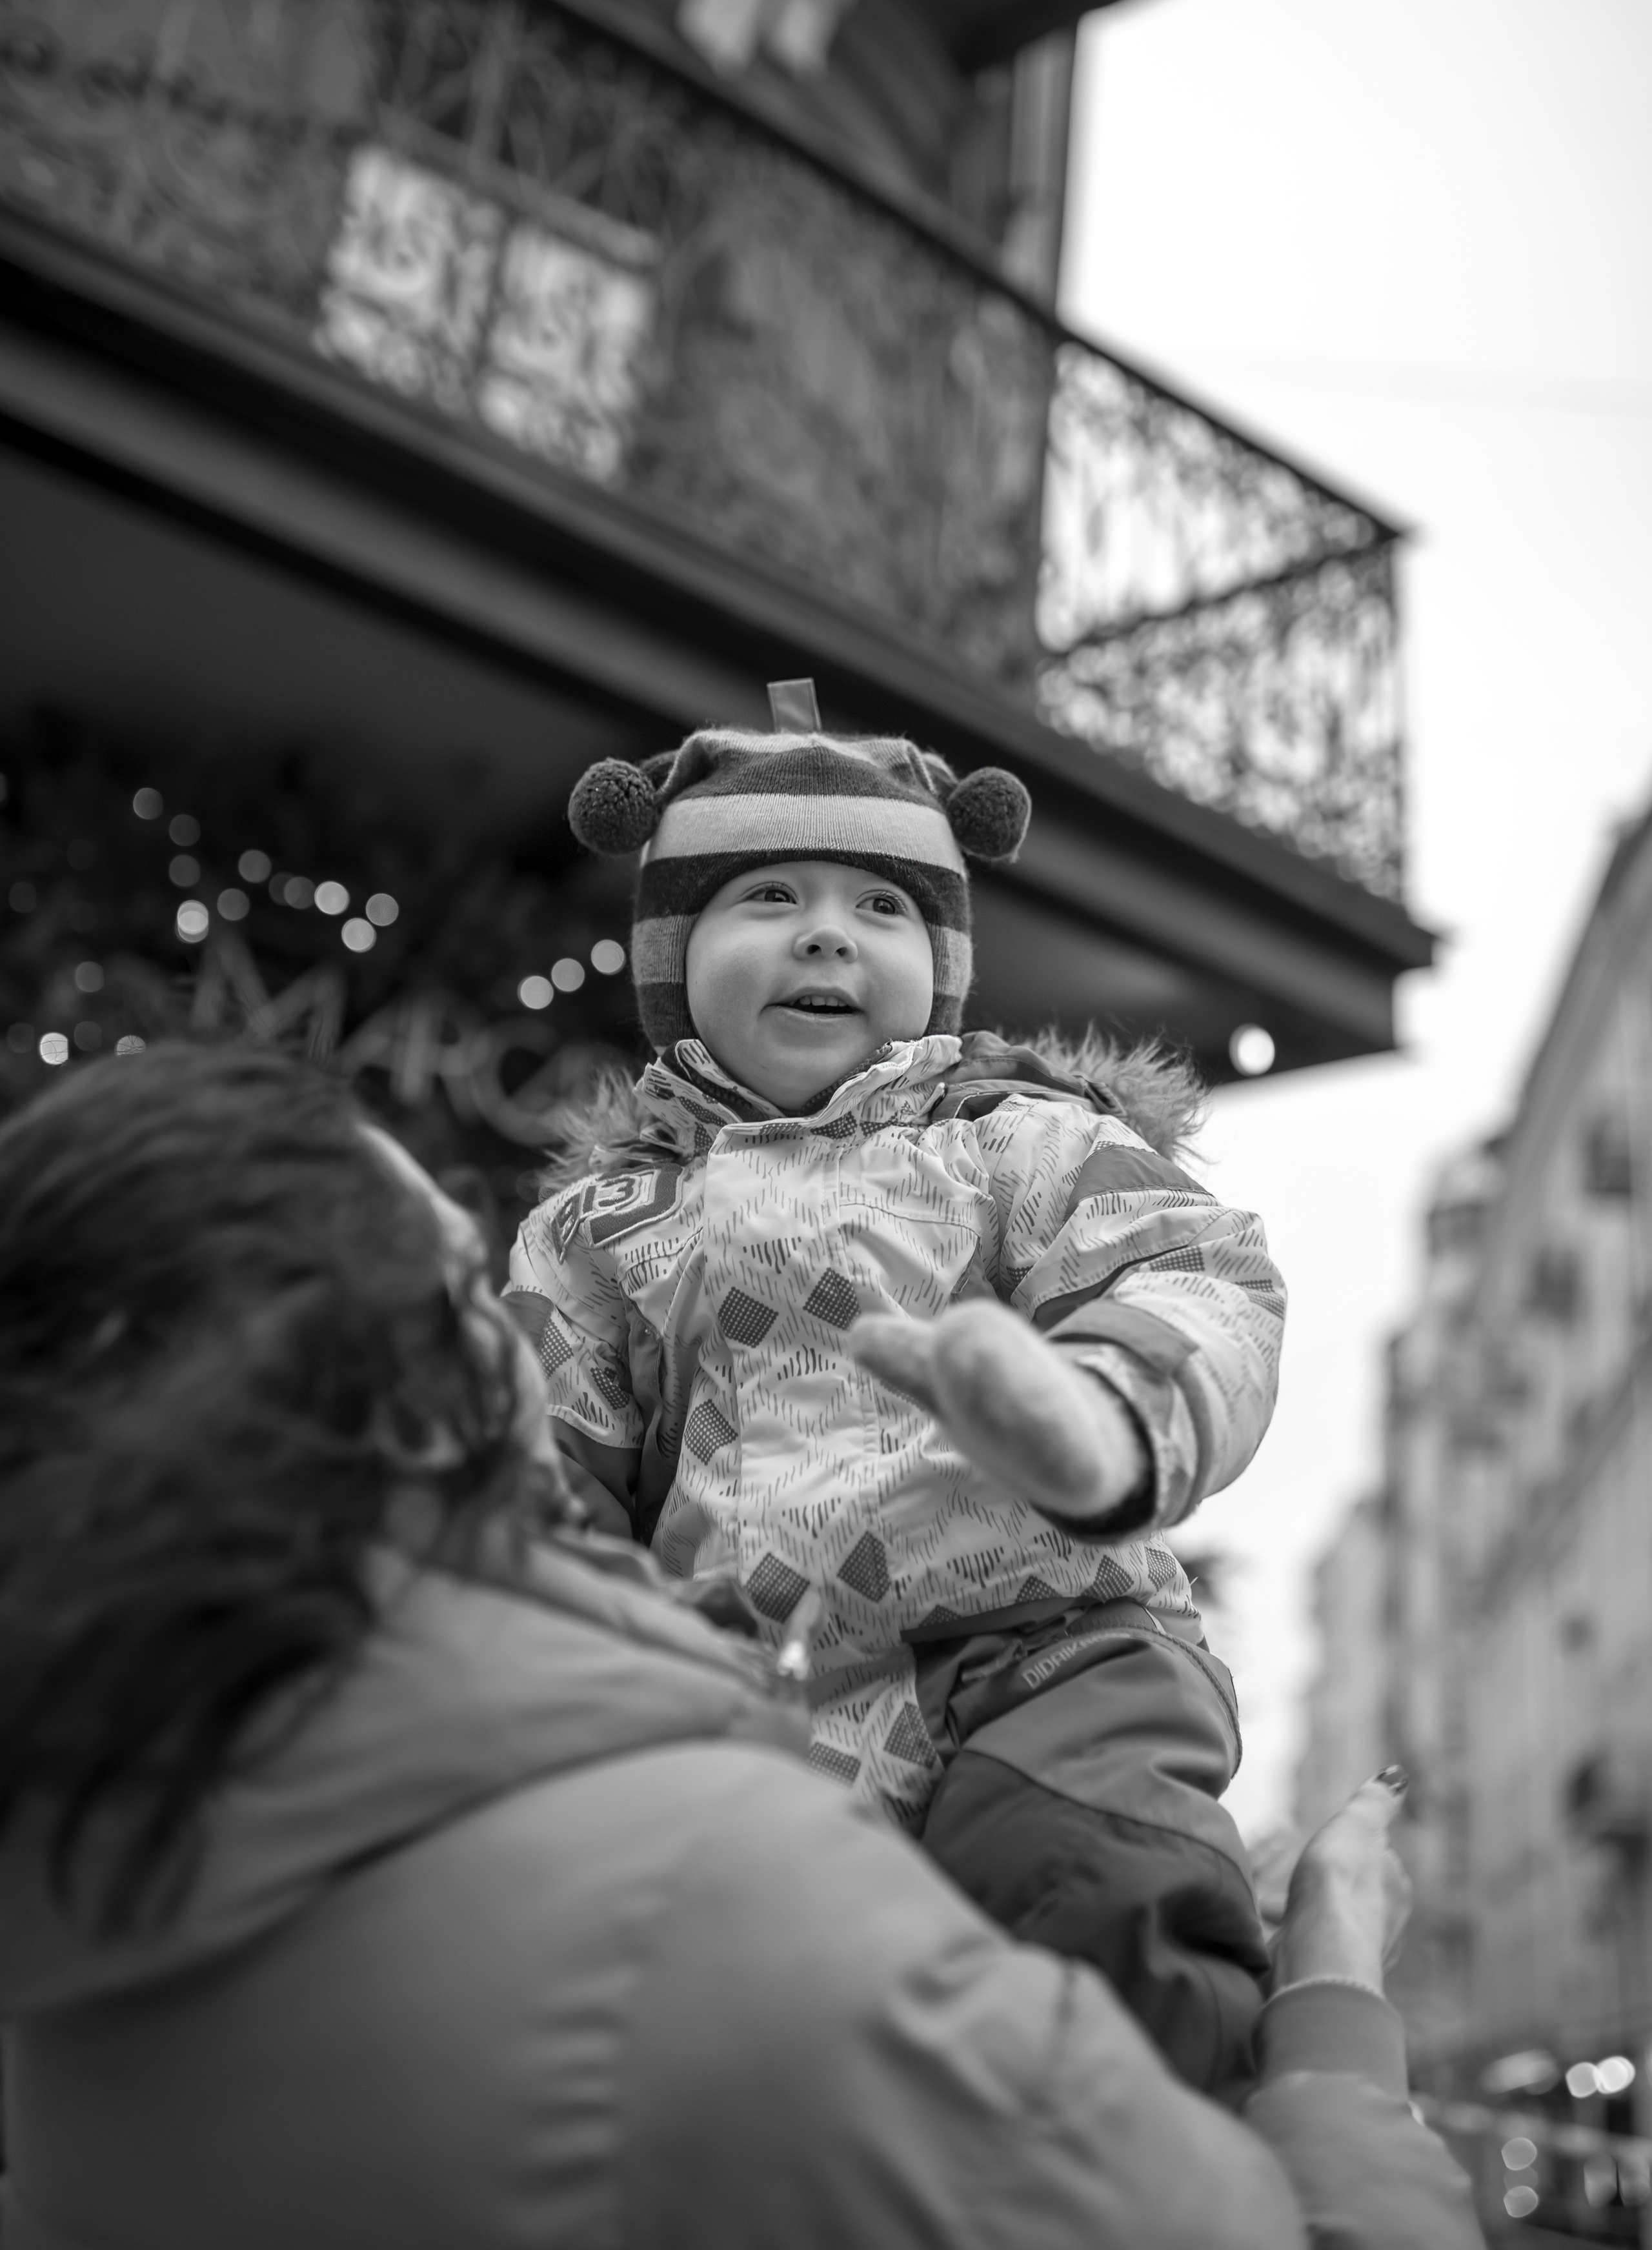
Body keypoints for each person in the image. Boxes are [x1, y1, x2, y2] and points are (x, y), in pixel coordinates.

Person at [0, 1045, 1481, 2250]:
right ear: (414, 1409)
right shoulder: (715, 1902)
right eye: (469, 1300)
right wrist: (1333, 1992)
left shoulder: (69, 1965)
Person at [507, 685, 1284, 2093]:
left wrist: (1096, 1412)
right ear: (673, 958)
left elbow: (1194, 1279)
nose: (824, 932)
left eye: (879, 907)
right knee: (752, 2028)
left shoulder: (1017, 1144)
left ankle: (1145, 2177)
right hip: (757, 1686)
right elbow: (541, 1467)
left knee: (1094, 1891)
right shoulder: (602, 1229)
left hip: (1043, 1639)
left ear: (937, 961)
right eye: (765, 895)